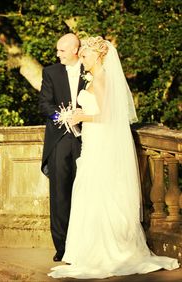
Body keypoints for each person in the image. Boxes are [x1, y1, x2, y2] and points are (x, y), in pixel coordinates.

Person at [48, 36, 179, 278]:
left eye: (85, 55)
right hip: (93, 141)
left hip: (100, 141)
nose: (82, 59)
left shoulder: (101, 80)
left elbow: (106, 116)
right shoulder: (95, 78)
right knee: (89, 191)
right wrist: (81, 114)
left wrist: (80, 117)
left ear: (98, 56)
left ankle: (106, 250)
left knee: (101, 192)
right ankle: (87, 250)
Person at [39, 33, 86, 262]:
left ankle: (85, 244)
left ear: (76, 50)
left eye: (62, 51)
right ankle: (62, 246)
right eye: (57, 50)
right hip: (60, 141)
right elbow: (44, 104)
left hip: (88, 140)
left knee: (86, 192)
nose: (58, 55)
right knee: (60, 194)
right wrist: (63, 116)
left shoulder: (91, 71)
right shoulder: (50, 72)